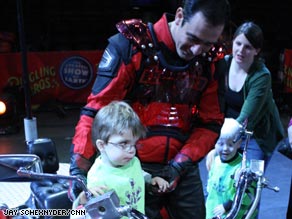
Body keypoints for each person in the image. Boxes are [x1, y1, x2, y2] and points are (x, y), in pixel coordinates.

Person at [69, 0, 231, 218]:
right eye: (193, 38)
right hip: (128, 162)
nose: (197, 50)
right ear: (180, 16)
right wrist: (78, 171)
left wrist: (179, 166)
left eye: (207, 44)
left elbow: (210, 123)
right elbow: (96, 111)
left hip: (180, 168)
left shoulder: (212, 62)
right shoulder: (130, 46)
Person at [71, 101, 169, 217]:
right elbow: (79, 214)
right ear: (102, 145)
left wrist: (150, 180)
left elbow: (135, 173)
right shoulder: (98, 179)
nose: (131, 150)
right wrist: (82, 201)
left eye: (134, 144)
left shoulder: (132, 162)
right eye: (123, 144)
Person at [216, 21, 285, 169]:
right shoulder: (223, 65)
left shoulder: (261, 75)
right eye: (238, 43)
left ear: (257, 50)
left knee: (247, 181)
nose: (241, 50)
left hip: (256, 135)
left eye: (248, 47)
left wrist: (227, 134)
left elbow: (246, 116)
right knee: (220, 176)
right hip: (228, 130)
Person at [205, 118, 256, 219]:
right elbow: (210, 186)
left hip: (231, 214)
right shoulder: (216, 161)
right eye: (220, 144)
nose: (225, 149)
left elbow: (248, 195)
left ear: (238, 143)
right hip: (212, 212)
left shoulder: (243, 167)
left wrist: (228, 205)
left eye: (230, 144)